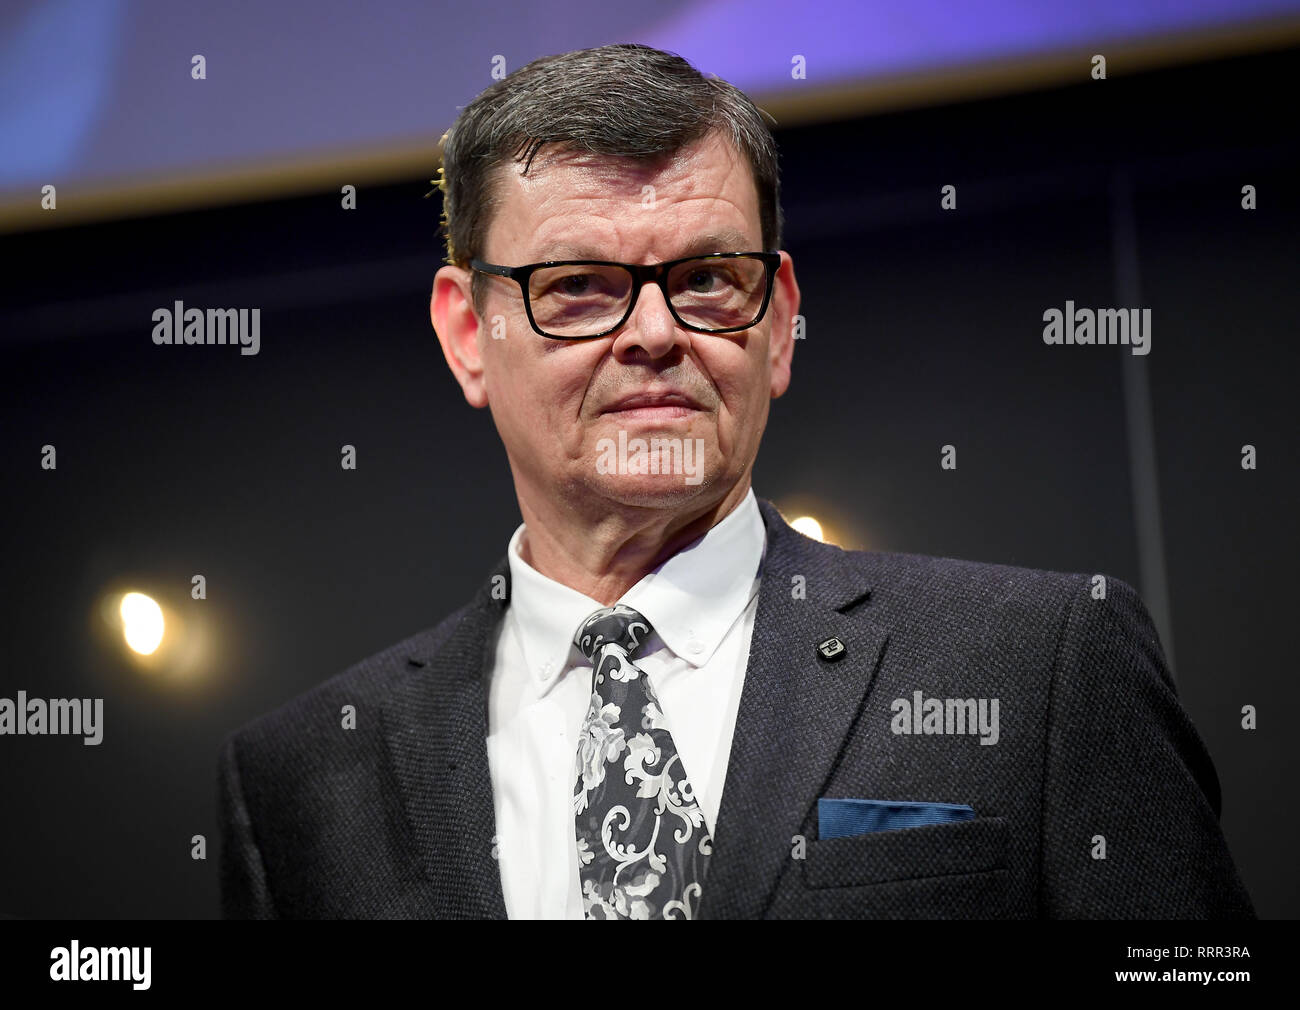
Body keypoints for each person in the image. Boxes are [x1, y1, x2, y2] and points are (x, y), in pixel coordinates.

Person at [217, 43, 1254, 919]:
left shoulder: (1042, 665)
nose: (656, 334)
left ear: (779, 318)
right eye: (578, 288)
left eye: (708, 278)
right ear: (466, 333)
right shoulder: (301, 782)